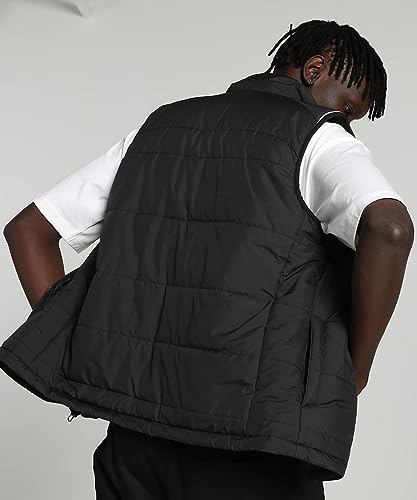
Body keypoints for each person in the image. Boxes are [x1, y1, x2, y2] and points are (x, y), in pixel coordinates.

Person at [2, 19, 414, 500]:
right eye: (348, 107)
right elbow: (390, 229)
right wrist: (356, 369)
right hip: (250, 450)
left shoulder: (159, 128)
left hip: (132, 446)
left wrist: (85, 337)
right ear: (314, 69)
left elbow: (29, 230)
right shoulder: (318, 138)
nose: (347, 122)